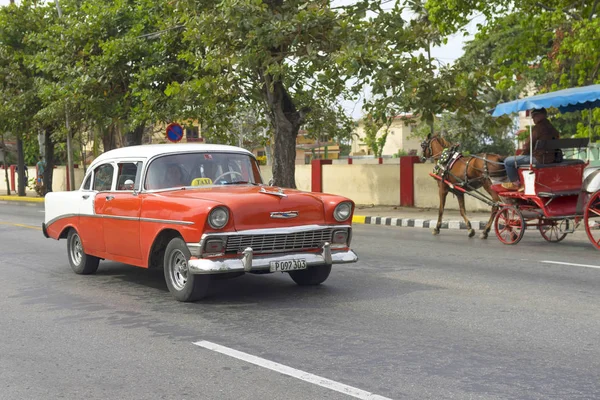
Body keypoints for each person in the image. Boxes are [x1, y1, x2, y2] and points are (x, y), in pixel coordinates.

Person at [502, 108, 560, 190]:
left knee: (508, 161)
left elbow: (528, 145)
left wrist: (522, 154)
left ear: (541, 115)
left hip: (539, 159)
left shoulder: (538, 128)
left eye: (534, 116)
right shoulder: (553, 128)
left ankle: (515, 184)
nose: (533, 119)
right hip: (552, 158)